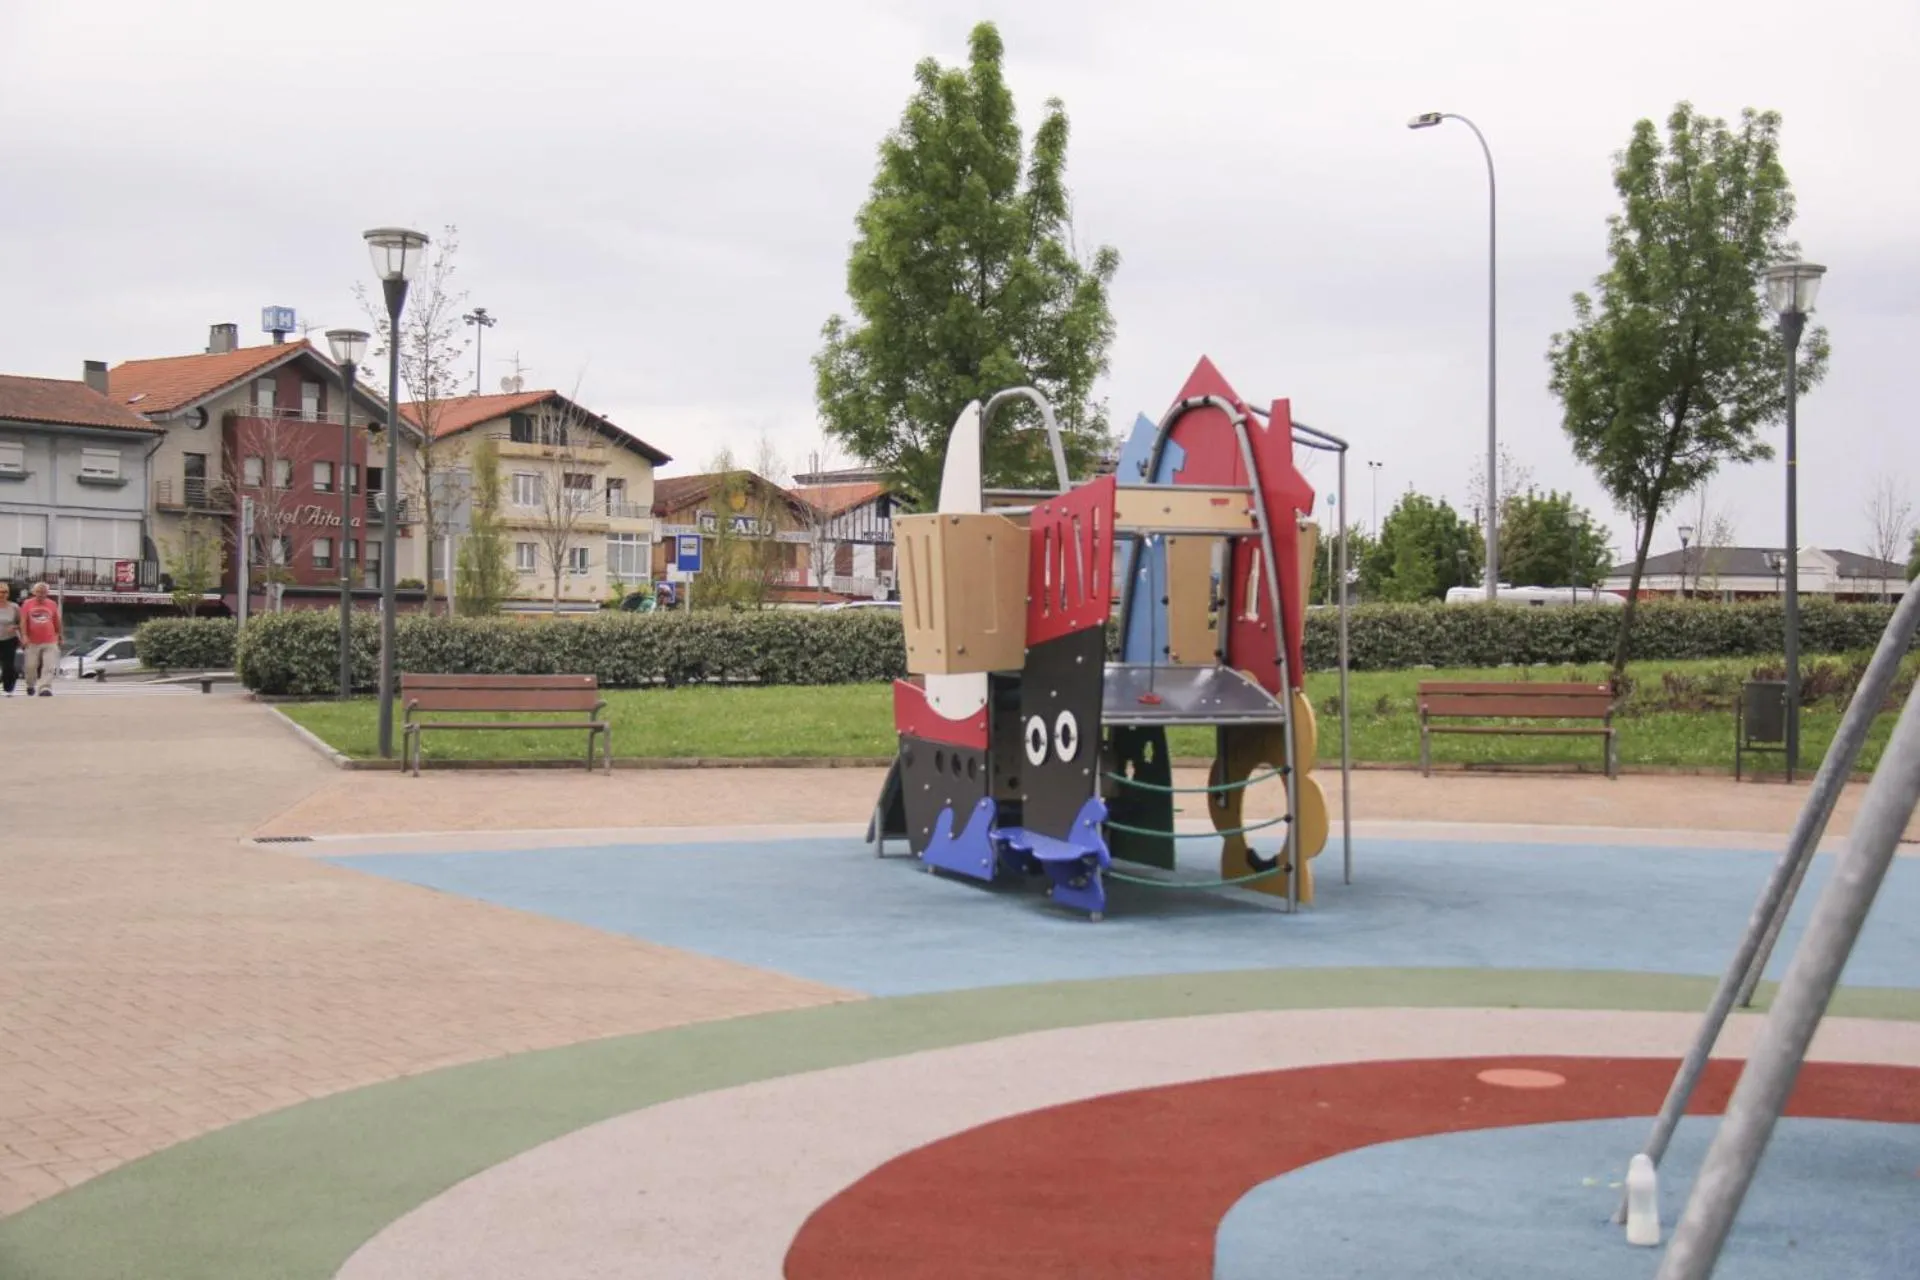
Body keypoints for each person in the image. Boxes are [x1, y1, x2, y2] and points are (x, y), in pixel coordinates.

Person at [19, 581, 62, 697]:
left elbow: (57, 621)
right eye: (38, 592)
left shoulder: (52, 604)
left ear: (47, 593)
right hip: (32, 641)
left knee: (49, 665)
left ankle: (45, 688)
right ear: (34, 592)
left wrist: (60, 635)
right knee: (30, 666)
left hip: (50, 640)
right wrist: (24, 636)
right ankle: (30, 684)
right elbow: (23, 621)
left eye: (43, 592)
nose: (41, 594)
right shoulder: (27, 604)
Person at [0, 583, 19, 697]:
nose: (1, 594)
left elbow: (21, 622)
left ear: (8, 594)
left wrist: (15, 627)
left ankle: (8, 688)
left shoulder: (14, 607)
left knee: (8, 665)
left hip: (9, 639)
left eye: (4, 592)